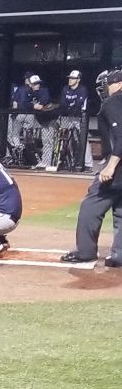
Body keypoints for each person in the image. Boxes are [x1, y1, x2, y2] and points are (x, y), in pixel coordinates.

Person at [62, 68, 122, 266]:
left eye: (107, 84)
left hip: (118, 170)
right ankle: (119, 256)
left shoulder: (113, 102)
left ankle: (85, 251)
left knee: (91, 206)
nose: (104, 89)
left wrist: (111, 165)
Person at [59, 70, 93, 171]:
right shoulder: (65, 89)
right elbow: (63, 103)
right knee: (65, 139)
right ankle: (66, 162)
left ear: (78, 79)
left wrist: (70, 106)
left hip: (80, 117)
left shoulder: (83, 89)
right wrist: (70, 106)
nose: (70, 80)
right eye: (69, 78)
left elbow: (79, 104)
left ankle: (88, 164)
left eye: (72, 78)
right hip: (68, 117)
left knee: (83, 140)